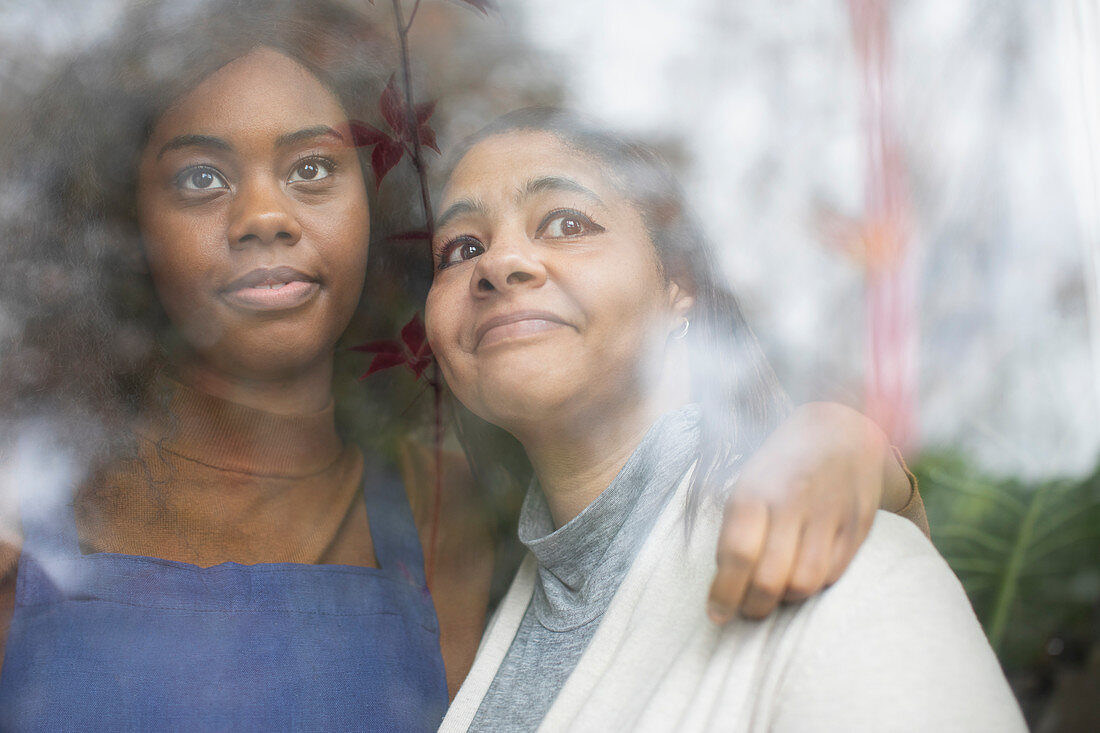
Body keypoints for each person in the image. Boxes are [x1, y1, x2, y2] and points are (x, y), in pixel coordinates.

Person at [0, 0, 926, 728]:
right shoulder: (23, 504)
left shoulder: (449, 513)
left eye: (314, 168)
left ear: (373, 213)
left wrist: (848, 448)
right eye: (201, 177)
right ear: (132, 235)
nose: (264, 215)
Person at [425, 108, 1026, 731]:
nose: (498, 263)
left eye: (566, 222)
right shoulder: (493, 614)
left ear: (678, 283)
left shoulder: (840, 561)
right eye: (462, 248)